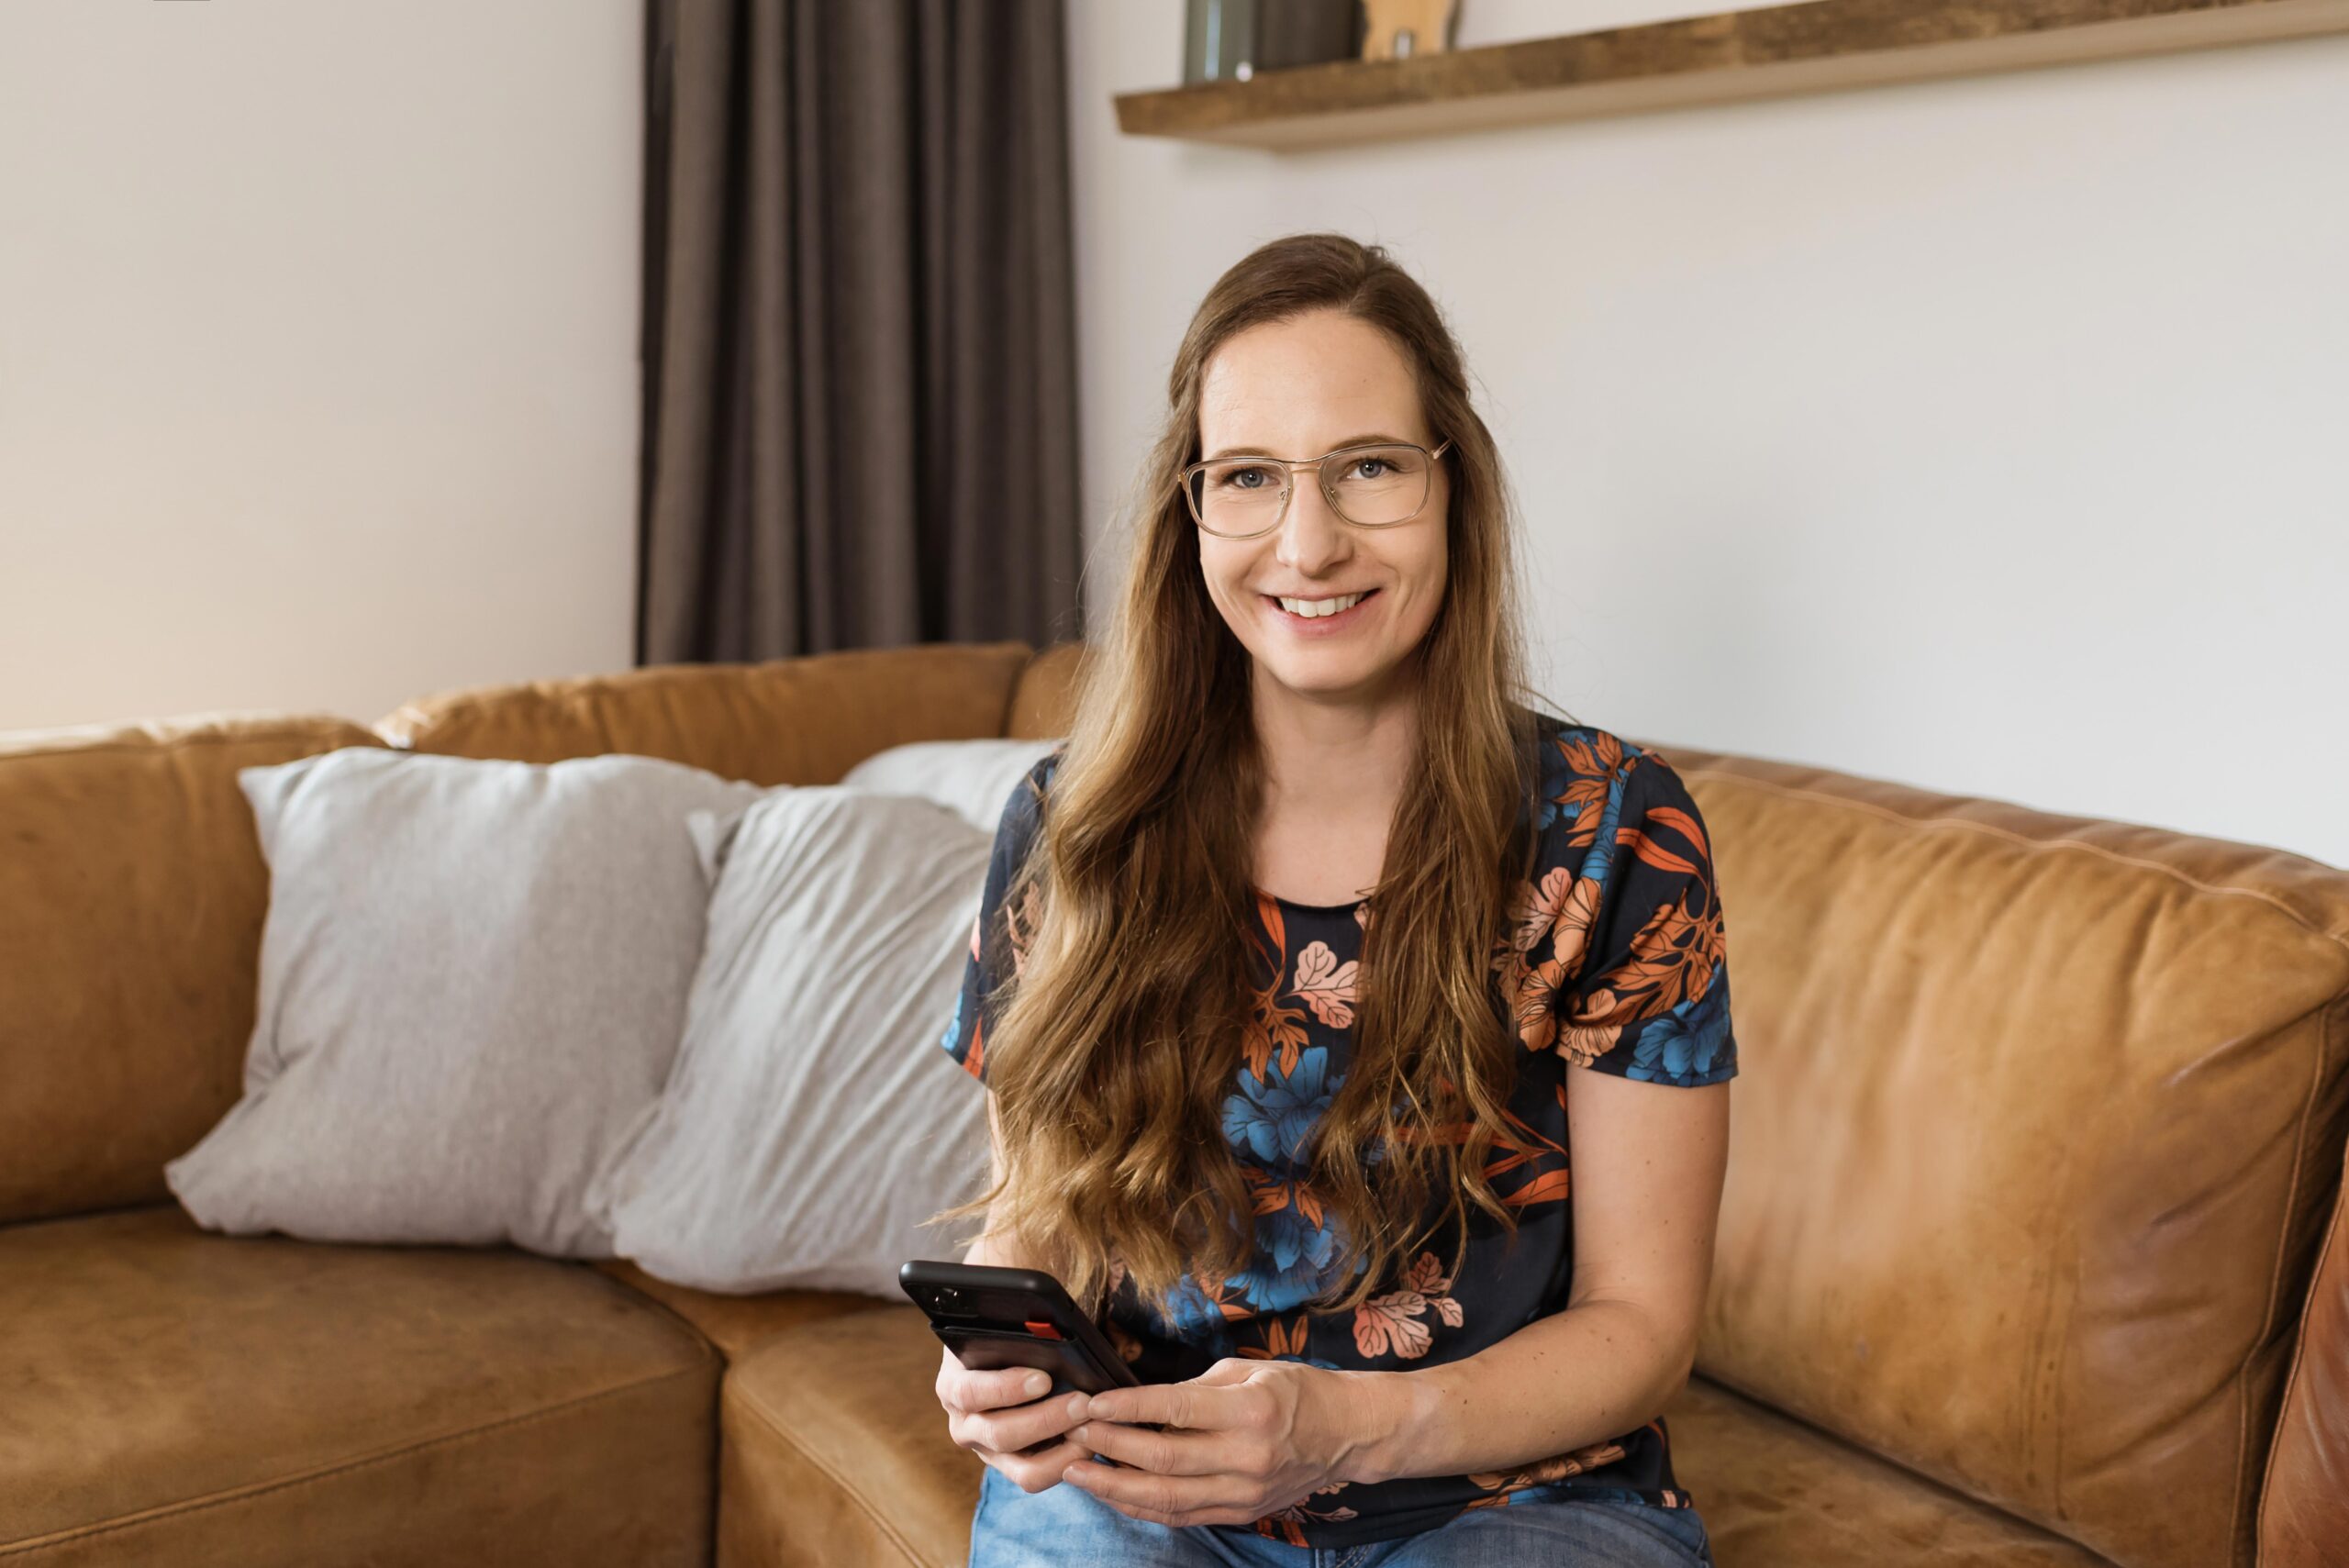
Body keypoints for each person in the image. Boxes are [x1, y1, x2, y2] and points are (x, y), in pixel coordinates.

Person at [930, 232, 1734, 1568]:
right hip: (1138, 1477)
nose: (1309, 542)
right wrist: (1004, 1372)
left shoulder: (1616, 833)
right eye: (1248, 477)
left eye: (1368, 466)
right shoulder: (1073, 822)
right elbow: (1040, 1212)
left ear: (1452, 490)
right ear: (1192, 513)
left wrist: (1346, 1425)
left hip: (1513, 1501)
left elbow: (1644, 1326)